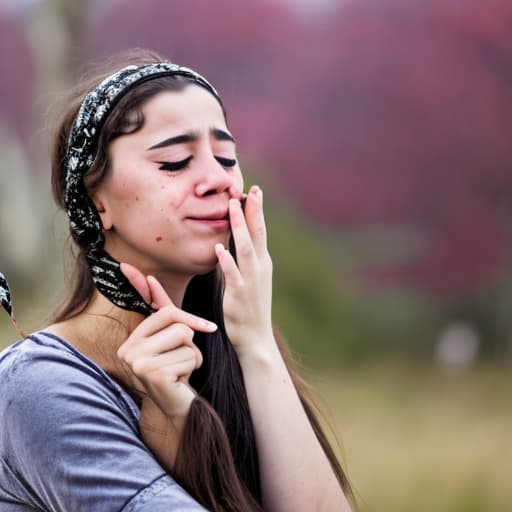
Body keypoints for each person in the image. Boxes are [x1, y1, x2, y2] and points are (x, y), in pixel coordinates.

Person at [0, 49, 354, 511]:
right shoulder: (39, 387)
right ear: (96, 200)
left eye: (226, 158)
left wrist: (258, 345)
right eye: (175, 162)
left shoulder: (232, 356)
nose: (218, 180)